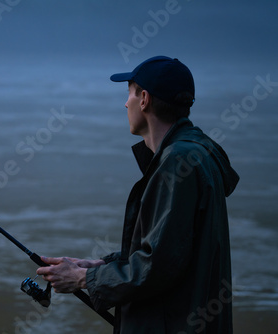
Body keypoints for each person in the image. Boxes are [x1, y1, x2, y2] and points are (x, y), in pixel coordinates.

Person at [36, 56, 239, 333]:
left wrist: (85, 279)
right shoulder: (192, 155)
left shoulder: (178, 163)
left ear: (144, 99)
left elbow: (158, 267)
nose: (125, 103)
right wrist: (100, 265)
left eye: (129, 92)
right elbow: (171, 250)